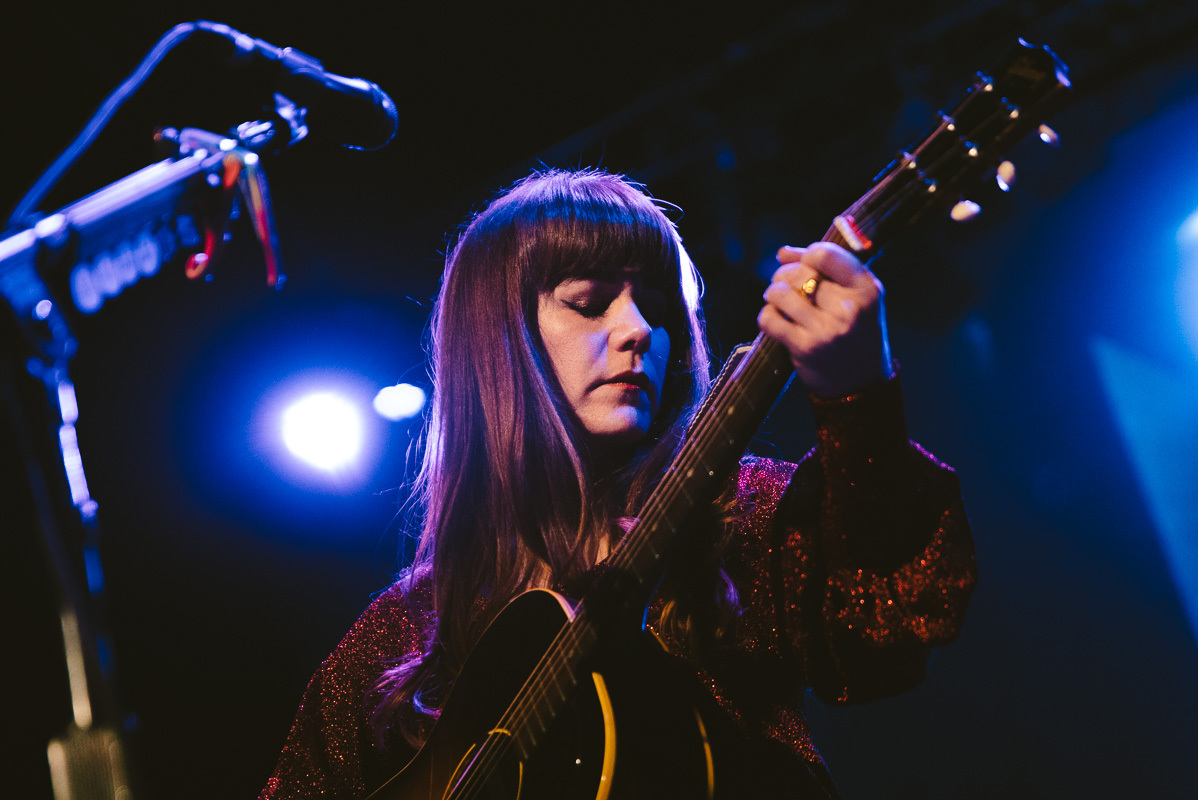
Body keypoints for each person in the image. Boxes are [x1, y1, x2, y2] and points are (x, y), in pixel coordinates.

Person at [259, 169, 976, 799]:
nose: (639, 329)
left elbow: (886, 630)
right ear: (500, 338)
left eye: (658, 306)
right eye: (589, 301)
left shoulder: (733, 513)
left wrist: (859, 397)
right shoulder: (408, 631)